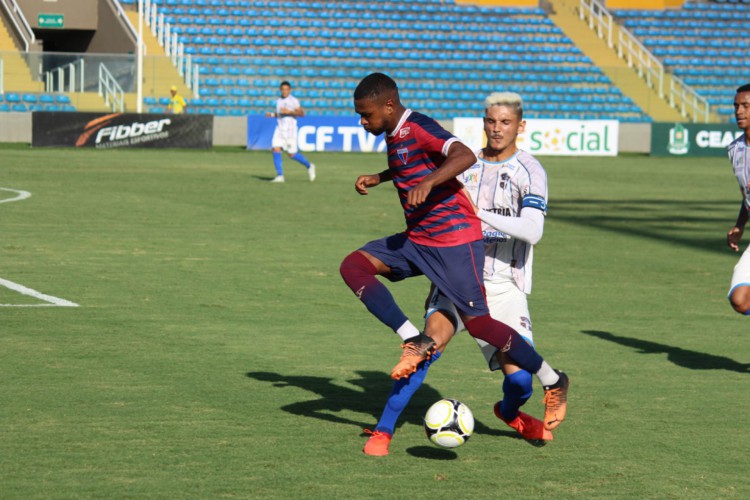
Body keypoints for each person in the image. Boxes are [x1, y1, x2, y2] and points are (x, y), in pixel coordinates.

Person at [339, 73, 569, 451]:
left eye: (505, 122)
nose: (496, 129)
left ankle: (533, 394)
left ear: (519, 126)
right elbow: (416, 165)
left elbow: (532, 230)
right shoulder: (439, 151)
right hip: (434, 253)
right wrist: (382, 178)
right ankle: (384, 426)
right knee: (418, 338)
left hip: (494, 275)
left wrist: (460, 204)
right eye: (491, 121)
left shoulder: (528, 171)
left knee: (517, 383)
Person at [726, 83, 750, 313]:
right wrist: (740, 225)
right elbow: (746, 196)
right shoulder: (735, 149)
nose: (739, 111)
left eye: (745, 106)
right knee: (740, 300)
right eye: (736, 106)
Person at [265, 80, 316, 183]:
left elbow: (302, 113)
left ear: (290, 90)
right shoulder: (279, 101)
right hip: (279, 129)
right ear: (280, 90)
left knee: (291, 154)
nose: (285, 91)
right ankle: (280, 175)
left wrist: (290, 111)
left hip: (290, 131)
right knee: (275, 149)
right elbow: (280, 114)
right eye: (283, 89)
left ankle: (309, 166)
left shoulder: (294, 101)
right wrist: (271, 114)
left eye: (287, 89)